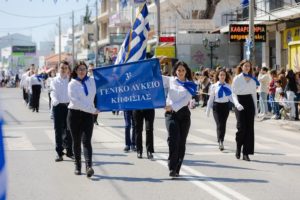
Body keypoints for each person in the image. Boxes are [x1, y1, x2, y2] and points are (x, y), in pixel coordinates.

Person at [162, 61, 197, 177]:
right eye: (178, 70)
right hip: (170, 114)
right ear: (175, 71)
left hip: (184, 115)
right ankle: (172, 168)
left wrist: (172, 106)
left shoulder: (190, 84)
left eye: (183, 70)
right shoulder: (170, 80)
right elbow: (156, 78)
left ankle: (177, 168)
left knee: (181, 142)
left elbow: (186, 100)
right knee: (173, 140)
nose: (181, 72)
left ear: (186, 71)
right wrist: (155, 62)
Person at [67, 61, 99, 177]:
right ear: (76, 71)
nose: (82, 71)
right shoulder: (72, 84)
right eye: (79, 69)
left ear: (87, 70)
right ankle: (77, 166)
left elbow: (103, 88)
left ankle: (89, 166)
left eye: (84, 69)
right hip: (74, 114)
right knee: (76, 142)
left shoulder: (92, 81)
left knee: (86, 141)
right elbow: (76, 102)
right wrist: (92, 110)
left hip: (87, 116)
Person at [232, 60, 258, 162]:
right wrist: (237, 104)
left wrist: (256, 109)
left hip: (249, 103)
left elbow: (254, 95)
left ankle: (246, 153)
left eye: (249, 66)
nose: (247, 67)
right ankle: (238, 147)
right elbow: (233, 94)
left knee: (249, 129)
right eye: (245, 66)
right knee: (241, 127)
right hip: (239, 102)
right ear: (241, 67)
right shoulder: (237, 79)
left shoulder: (252, 80)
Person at [50, 61, 73, 162]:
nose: (63, 69)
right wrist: (55, 100)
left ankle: (69, 150)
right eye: (62, 67)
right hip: (58, 106)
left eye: (65, 68)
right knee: (58, 131)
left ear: (68, 69)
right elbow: (53, 92)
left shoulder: (71, 80)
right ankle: (59, 153)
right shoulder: (54, 80)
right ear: (59, 68)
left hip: (69, 107)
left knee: (69, 130)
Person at [206, 69, 233, 151]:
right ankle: (220, 141)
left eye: (224, 75)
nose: (222, 76)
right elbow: (210, 99)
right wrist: (208, 110)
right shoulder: (213, 86)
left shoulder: (228, 86)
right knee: (219, 124)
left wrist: (238, 104)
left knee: (223, 124)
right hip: (216, 106)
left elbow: (231, 98)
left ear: (225, 76)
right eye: (221, 75)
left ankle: (221, 140)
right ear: (218, 76)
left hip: (225, 106)